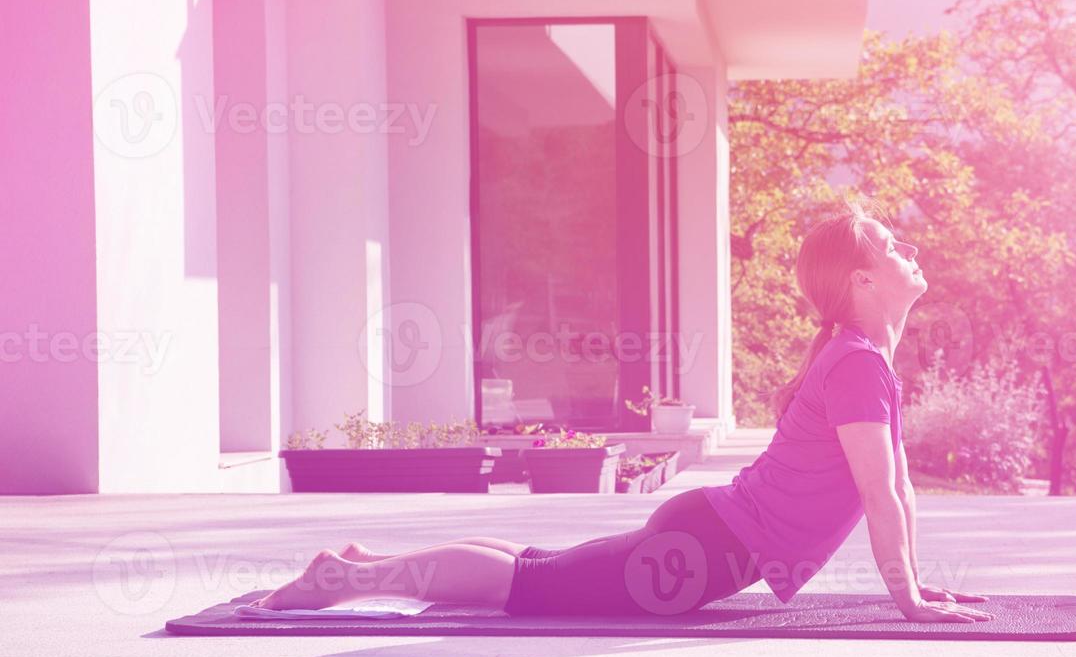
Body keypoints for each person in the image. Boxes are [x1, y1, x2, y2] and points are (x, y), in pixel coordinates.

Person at [251, 201, 993, 623]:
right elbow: (878, 491)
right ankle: (344, 582)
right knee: (527, 586)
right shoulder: (858, 362)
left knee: (536, 567)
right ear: (862, 279)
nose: (911, 250)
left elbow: (894, 489)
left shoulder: (858, 357)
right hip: (706, 551)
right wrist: (910, 600)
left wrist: (917, 587)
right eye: (895, 246)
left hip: (711, 534)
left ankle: (363, 566)